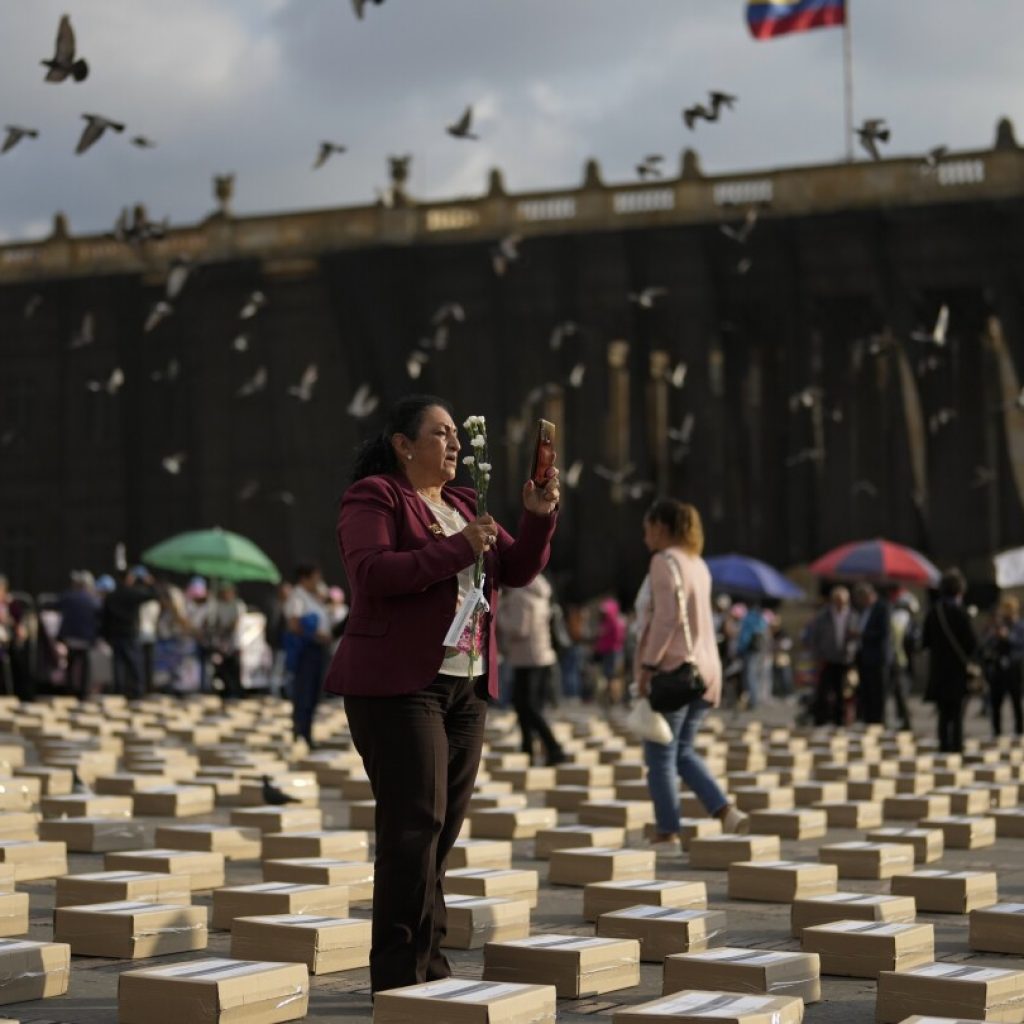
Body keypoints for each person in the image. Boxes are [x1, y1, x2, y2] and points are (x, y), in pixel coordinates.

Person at [323, 395, 558, 994]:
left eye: (457, 434)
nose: (455, 444)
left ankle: (428, 967)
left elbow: (519, 568)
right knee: (413, 827)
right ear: (404, 445)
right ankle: (402, 977)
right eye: (441, 434)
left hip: (465, 687)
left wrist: (536, 517)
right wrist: (461, 548)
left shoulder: (461, 503)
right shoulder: (376, 496)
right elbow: (372, 572)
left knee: (440, 831)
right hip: (400, 686)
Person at [634, 498, 748, 840]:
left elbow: (667, 619)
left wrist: (648, 666)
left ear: (662, 528)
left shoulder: (663, 561)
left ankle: (667, 830)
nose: (645, 537)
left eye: (648, 528)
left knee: (660, 755)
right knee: (682, 751)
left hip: (675, 670)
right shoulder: (698, 563)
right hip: (705, 671)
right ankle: (725, 811)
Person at [497, 574, 566, 766]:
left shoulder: (519, 596)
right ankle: (528, 748)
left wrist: (498, 614)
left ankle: (553, 748)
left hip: (527, 659)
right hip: (541, 656)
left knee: (527, 707)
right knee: (528, 707)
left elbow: (519, 628)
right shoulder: (540, 594)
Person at [922, 569, 978, 753]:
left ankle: (943, 748)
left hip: (939, 670)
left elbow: (925, 642)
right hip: (957, 671)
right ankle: (956, 748)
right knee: (957, 714)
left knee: (943, 714)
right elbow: (972, 644)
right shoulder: (961, 614)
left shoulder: (933, 613)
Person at [284, 564, 331, 746]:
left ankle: (307, 733)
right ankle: (300, 734)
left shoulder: (313, 598)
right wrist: (315, 635)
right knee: (303, 693)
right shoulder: (297, 597)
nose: (318, 582)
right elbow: (294, 624)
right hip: (306, 651)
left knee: (312, 695)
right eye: (315, 578)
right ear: (305, 578)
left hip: (317, 650)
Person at [100, 567, 157, 699]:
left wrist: (106, 635)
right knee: (134, 663)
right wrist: (150, 582)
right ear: (128, 579)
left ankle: (119, 691)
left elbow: (105, 618)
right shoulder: (132, 593)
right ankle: (137, 691)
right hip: (129, 633)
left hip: (115, 634)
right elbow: (153, 595)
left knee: (118, 664)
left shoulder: (111, 596)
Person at [806, 586, 856, 726]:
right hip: (826, 658)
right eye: (838, 600)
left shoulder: (852, 615)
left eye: (843, 601)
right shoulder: (823, 615)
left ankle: (839, 720)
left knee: (842, 691)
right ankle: (820, 720)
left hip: (844, 659)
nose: (840, 603)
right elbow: (814, 637)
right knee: (822, 690)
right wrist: (817, 655)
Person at [981, 595, 1024, 738]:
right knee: (996, 702)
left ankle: (1019, 731)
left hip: (1014, 667)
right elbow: (986, 644)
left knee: (1016, 701)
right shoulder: (998, 626)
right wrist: (993, 634)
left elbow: (1020, 645)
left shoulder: (1020, 626)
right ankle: (997, 731)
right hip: (998, 667)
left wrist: (1008, 637)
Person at [57, 571, 101, 699]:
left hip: (71, 637)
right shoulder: (93, 600)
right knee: (85, 666)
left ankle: (69, 691)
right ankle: (84, 692)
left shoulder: (69, 596)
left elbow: (57, 605)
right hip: (86, 638)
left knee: (71, 664)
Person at [851, 583, 891, 725]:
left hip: (878, 657)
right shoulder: (863, 610)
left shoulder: (882, 608)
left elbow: (884, 632)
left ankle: (878, 721)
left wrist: (862, 634)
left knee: (878, 692)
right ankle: (868, 720)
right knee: (866, 691)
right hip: (864, 656)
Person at [200, 581, 247, 699]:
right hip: (220, 644)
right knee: (222, 669)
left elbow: (235, 623)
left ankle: (237, 693)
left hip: (234, 644)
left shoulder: (238, 605)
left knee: (235, 669)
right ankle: (226, 692)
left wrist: (224, 629)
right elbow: (211, 622)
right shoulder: (216, 605)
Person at [736, 604, 770, 709]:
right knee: (756, 675)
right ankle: (756, 699)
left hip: (749, 650)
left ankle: (752, 701)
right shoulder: (761, 618)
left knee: (749, 676)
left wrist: (740, 649)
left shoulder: (748, 618)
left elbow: (745, 636)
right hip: (759, 650)